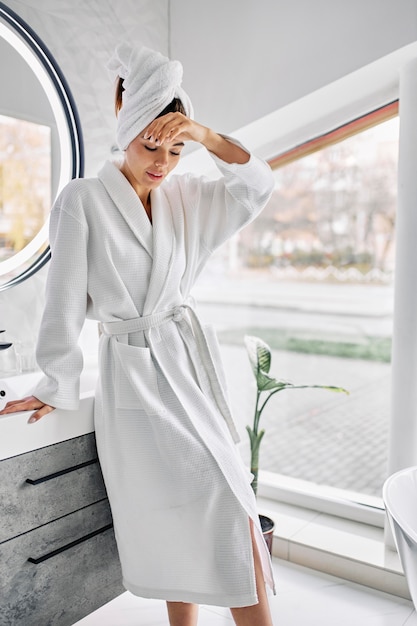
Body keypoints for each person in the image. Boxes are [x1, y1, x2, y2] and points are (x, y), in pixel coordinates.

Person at [0, 43, 275, 626]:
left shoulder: (185, 199)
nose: (163, 162)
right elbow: (63, 302)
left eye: (176, 149)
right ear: (126, 128)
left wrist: (202, 133)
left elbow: (255, 185)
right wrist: (55, 382)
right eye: (152, 145)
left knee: (229, 506)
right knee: (197, 509)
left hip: (186, 366)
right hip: (135, 378)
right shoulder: (82, 201)